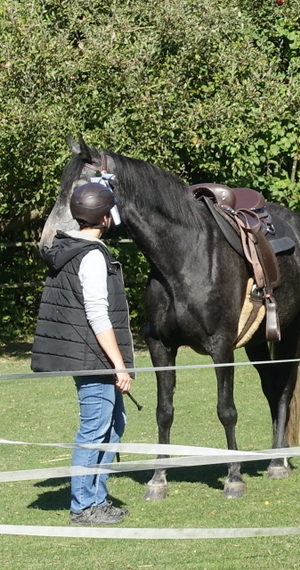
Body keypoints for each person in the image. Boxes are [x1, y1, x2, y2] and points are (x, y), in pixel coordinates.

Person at [31, 180, 134, 526]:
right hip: (94, 358)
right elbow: (97, 315)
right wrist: (119, 365)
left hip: (92, 355)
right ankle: (83, 507)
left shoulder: (73, 248)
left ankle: (97, 500)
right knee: (94, 430)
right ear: (104, 218)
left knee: (114, 424)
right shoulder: (90, 255)